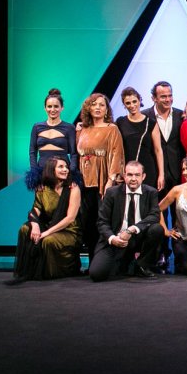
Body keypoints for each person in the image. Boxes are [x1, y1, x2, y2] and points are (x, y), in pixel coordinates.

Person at [90, 160, 164, 282]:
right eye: (129, 175)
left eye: (137, 175)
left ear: (143, 176)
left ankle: (142, 265)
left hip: (138, 237)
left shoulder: (151, 192)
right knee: (97, 274)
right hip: (116, 238)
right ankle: (126, 262)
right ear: (124, 176)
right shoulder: (112, 193)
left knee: (157, 229)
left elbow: (154, 216)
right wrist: (112, 239)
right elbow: (102, 222)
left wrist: (131, 229)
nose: (133, 178)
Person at [11, 155, 81, 281]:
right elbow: (35, 210)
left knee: (48, 240)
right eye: (61, 167)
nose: (66, 169)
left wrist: (46, 233)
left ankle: (51, 273)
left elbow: (70, 218)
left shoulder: (73, 188)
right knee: (24, 229)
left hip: (68, 230)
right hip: (48, 225)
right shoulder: (42, 188)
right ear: (51, 170)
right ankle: (28, 271)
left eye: (66, 167)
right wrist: (35, 226)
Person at [77, 92, 124, 255]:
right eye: (94, 104)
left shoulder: (112, 129)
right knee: (86, 223)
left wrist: (110, 182)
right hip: (84, 183)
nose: (97, 107)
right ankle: (91, 260)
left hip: (103, 182)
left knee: (101, 221)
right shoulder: (82, 129)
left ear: (106, 110)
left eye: (101, 105)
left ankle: (102, 259)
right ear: (88, 108)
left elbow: (116, 155)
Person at [25, 88, 76, 190]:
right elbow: (32, 152)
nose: (52, 110)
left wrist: (71, 175)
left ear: (62, 108)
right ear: (45, 108)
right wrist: (35, 175)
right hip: (42, 173)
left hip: (62, 174)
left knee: (62, 204)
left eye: (56, 106)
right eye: (49, 106)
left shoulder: (69, 127)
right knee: (43, 204)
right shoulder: (37, 127)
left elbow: (74, 154)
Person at [116, 87, 165, 192]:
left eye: (134, 101)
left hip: (147, 170)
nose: (132, 105)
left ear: (140, 101)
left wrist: (161, 174)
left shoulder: (151, 122)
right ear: (124, 105)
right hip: (128, 171)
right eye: (128, 103)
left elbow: (158, 150)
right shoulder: (120, 122)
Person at [151, 81, 186, 192]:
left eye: (170, 96)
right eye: (163, 97)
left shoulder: (181, 115)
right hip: (155, 173)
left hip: (178, 172)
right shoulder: (146, 116)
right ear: (154, 98)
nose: (168, 99)